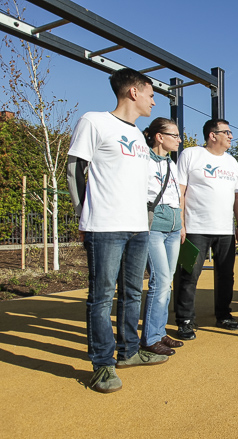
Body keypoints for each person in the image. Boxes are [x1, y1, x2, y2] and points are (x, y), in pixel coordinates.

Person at [66, 68, 167, 394]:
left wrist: (146, 220)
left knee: (132, 293)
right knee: (101, 297)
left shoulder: (137, 135)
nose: (153, 101)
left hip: (138, 228)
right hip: (105, 227)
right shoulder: (94, 121)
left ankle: (128, 352)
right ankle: (102, 365)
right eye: (151, 94)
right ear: (133, 92)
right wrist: (83, 215)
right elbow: (74, 170)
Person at [173, 119, 238, 340]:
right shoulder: (191, 155)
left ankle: (223, 315)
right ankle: (185, 320)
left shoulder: (232, 162)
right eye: (227, 132)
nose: (231, 136)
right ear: (212, 135)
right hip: (195, 229)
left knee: (226, 276)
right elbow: (180, 191)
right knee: (188, 275)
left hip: (225, 231)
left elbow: (237, 197)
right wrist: (180, 223)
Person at [140, 117, 185, 357]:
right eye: (174, 135)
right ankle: (149, 338)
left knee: (167, 283)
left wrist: (181, 224)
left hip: (174, 228)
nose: (179, 140)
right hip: (154, 228)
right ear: (159, 137)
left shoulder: (172, 163)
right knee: (160, 281)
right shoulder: (143, 161)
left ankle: (159, 332)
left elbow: (177, 196)